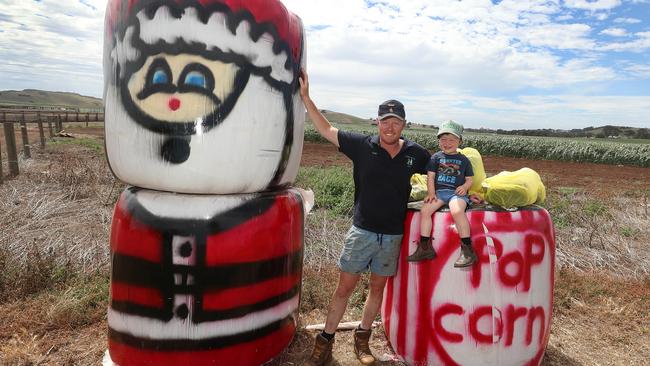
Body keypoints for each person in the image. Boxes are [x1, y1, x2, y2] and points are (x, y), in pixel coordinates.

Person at [299, 70, 430, 366]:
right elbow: (326, 130)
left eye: (396, 122)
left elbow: (442, 167)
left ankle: (363, 340)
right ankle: (326, 342)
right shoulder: (362, 146)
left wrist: (465, 187)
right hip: (362, 232)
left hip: (392, 235)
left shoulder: (416, 154)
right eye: (386, 121)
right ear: (378, 122)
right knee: (344, 288)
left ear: (404, 125)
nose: (390, 126)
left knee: (377, 289)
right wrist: (306, 98)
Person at [406, 120, 478, 268]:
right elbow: (431, 177)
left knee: (457, 211)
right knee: (425, 211)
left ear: (460, 141)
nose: (447, 143)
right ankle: (425, 247)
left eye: (452, 139)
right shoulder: (436, 158)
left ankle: (467, 249)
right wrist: (431, 193)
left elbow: (470, 179)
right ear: (439, 141)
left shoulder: (464, 160)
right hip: (439, 193)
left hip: (456, 194)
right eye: (443, 139)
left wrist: (465, 187)